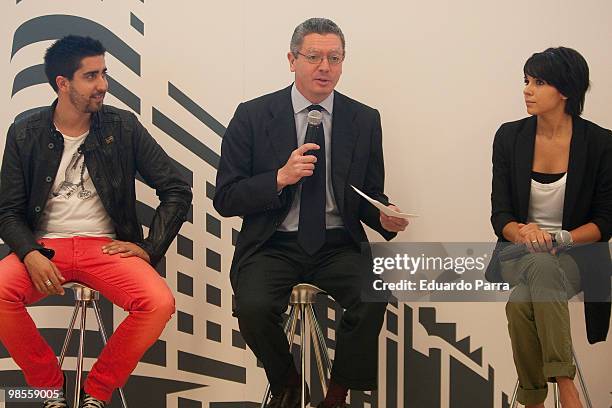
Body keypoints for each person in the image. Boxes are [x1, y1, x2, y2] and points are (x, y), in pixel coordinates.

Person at [214, 17, 408, 408]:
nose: (325, 67)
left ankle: (336, 395)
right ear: (292, 59)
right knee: (252, 306)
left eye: (334, 58)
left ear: (343, 62)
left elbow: (368, 193)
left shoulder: (364, 119)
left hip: (337, 244)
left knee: (373, 296)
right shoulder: (252, 115)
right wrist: (279, 178)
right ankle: (286, 381)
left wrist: (384, 215)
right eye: (314, 56)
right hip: (273, 243)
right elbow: (226, 198)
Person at [0, 35, 192, 408]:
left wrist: (150, 248)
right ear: (63, 83)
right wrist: (30, 254)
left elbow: (176, 189)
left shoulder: (123, 127)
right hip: (45, 248)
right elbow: (7, 210)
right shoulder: (26, 131)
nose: (103, 84)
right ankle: (48, 389)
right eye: (91, 76)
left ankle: (97, 392)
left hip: (104, 246)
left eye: (104, 73)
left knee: (157, 302)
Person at [487, 47, 611, 408]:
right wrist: (524, 232)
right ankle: (564, 383)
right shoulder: (509, 137)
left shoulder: (601, 143)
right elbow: (500, 214)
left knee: (519, 304)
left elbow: (605, 221)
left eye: (539, 82)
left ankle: (533, 400)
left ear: (566, 90)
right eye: (526, 81)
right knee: (539, 263)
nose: (527, 89)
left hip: (575, 255)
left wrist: (561, 238)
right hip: (517, 250)